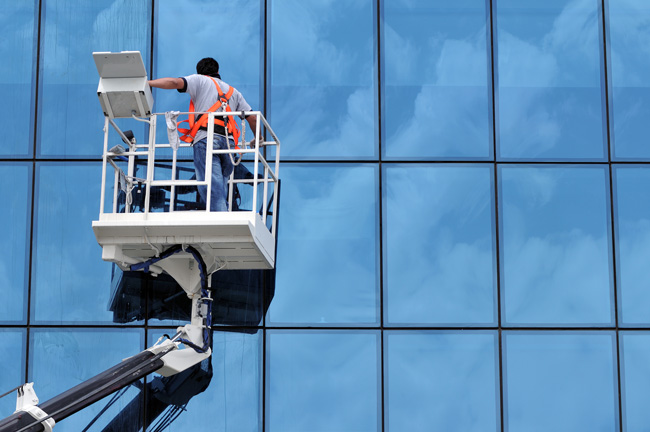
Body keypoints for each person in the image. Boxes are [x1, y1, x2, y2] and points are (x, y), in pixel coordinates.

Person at [148, 58, 257, 212]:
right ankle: (223, 213)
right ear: (218, 72)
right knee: (221, 186)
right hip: (229, 145)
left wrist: (148, 83)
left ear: (200, 72)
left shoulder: (199, 80)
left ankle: (220, 219)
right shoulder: (234, 92)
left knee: (212, 187)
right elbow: (252, 118)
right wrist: (258, 138)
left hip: (207, 138)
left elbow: (174, 82)